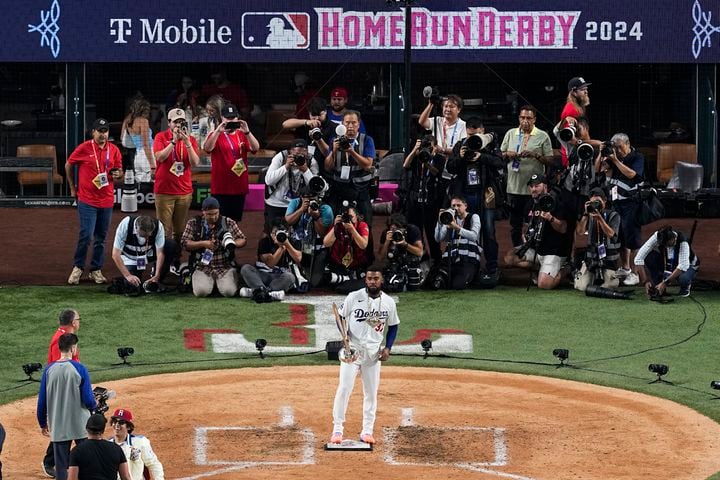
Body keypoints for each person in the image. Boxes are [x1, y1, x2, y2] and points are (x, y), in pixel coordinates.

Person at [329, 265, 399, 445]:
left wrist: (388, 348)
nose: (372, 282)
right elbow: (341, 317)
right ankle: (337, 429)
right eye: (369, 278)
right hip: (352, 351)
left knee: (371, 393)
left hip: (373, 354)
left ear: (381, 280)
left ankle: (367, 430)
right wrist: (344, 337)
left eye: (376, 278)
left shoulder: (389, 302)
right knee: (344, 388)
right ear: (365, 280)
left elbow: (393, 326)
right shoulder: (354, 297)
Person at [65, 118, 123, 286]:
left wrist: (119, 175)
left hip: (106, 200)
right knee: (86, 235)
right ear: (93, 132)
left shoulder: (114, 150)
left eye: (105, 131)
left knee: (101, 238)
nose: (103, 134)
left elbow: (120, 172)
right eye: (100, 131)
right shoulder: (84, 148)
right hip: (87, 200)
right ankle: (78, 267)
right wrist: (72, 188)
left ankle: (96, 270)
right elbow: (68, 165)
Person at [448, 119, 505, 280]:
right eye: (470, 134)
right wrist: (460, 157)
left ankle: (492, 268)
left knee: (488, 231)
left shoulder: (490, 145)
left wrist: (481, 156)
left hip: (486, 195)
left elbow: (500, 163)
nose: (472, 138)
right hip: (465, 195)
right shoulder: (461, 145)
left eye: (476, 134)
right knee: (465, 230)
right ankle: (467, 266)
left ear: (483, 131)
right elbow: (450, 167)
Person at [37, 333, 97, 480]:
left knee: (61, 469)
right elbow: (88, 400)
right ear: (73, 348)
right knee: (86, 465)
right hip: (80, 425)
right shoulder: (80, 369)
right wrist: (95, 404)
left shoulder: (48, 370)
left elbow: (42, 401)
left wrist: (43, 423)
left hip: (58, 426)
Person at [504, 174, 574, 290]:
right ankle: (539, 268)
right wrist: (525, 235)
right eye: (531, 186)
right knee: (510, 258)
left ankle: (567, 268)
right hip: (536, 248)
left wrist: (551, 218)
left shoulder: (555, 202)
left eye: (537, 186)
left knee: (543, 284)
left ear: (545, 187)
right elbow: (526, 226)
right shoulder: (530, 204)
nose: (533, 189)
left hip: (553, 250)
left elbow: (563, 228)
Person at [501, 106, 554, 249]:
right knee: (515, 225)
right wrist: (508, 154)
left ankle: (536, 251)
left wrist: (535, 155)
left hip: (534, 190)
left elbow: (550, 160)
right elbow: (500, 155)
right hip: (514, 188)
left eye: (528, 118)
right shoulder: (511, 133)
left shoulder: (542, 135)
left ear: (534, 120)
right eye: (522, 117)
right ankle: (518, 250)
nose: (525, 121)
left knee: (536, 222)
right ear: (519, 118)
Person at [600, 133, 645, 286]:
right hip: (616, 203)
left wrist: (615, 160)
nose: (618, 150)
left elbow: (632, 174)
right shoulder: (612, 157)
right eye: (615, 147)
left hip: (632, 203)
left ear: (628, 143)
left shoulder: (637, 158)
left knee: (632, 238)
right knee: (621, 237)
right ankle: (625, 268)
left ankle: (635, 273)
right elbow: (598, 169)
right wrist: (602, 154)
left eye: (620, 147)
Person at [203, 103, 260, 222]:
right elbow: (207, 148)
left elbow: (255, 148)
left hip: (239, 186)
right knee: (219, 221)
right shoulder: (215, 134)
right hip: (221, 188)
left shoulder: (242, 134)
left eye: (233, 117)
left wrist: (248, 132)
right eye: (227, 118)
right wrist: (218, 131)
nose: (230, 120)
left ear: (237, 118)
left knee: (234, 221)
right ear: (222, 118)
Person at [180, 196, 247, 297]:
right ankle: (188, 269)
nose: (213, 217)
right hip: (202, 266)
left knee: (229, 292)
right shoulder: (194, 223)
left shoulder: (228, 222)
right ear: (203, 212)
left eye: (216, 213)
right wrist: (203, 243)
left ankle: (218, 283)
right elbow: (185, 243)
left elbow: (243, 239)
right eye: (209, 214)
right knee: (201, 292)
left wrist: (231, 243)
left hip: (224, 266)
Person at [43, 309, 82, 477]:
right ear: (73, 322)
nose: (79, 322)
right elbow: (56, 368)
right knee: (64, 424)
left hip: (71, 387)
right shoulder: (59, 340)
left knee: (66, 424)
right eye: (78, 319)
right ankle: (50, 461)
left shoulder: (66, 338)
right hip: (64, 391)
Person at [153, 108, 200, 244]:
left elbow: (195, 162)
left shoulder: (190, 139)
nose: (178, 125)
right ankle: (162, 260)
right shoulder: (160, 137)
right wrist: (173, 142)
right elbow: (160, 157)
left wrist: (187, 143)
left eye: (181, 122)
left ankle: (176, 257)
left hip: (184, 192)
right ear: (169, 123)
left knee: (179, 231)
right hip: (164, 192)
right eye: (175, 122)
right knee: (163, 230)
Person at [325, 110, 376, 226]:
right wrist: (333, 151)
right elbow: (327, 167)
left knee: (366, 222)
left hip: (361, 190)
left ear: (359, 124)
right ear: (342, 124)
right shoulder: (334, 141)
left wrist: (351, 151)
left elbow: (368, 165)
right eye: (347, 123)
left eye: (354, 123)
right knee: (337, 223)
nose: (350, 126)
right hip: (340, 188)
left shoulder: (367, 140)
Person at [401, 133, 447, 262]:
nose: (427, 149)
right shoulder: (416, 156)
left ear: (435, 147)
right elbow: (405, 165)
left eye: (430, 146)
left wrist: (426, 162)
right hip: (415, 199)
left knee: (431, 231)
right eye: (425, 146)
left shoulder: (439, 158)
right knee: (415, 230)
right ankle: (420, 256)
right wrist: (415, 150)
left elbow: (436, 173)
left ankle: (436, 258)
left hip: (431, 200)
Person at [264, 138, 319, 233]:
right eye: (297, 152)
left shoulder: (310, 161)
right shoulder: (281, 157)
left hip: (296, 204)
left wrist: (305, 170)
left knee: (294, 234)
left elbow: (316, 185)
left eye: (303, 152)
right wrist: (286, 166)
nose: (300, 155)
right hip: (275, 203)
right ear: (290, 151)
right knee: (273, 234)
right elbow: (269, 180)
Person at [285, 183, 334, 288]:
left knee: (315, 282)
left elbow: (323, 234)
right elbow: (288, 221)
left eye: (313, 198)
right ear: (301, 198)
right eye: (306, 198)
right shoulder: (295, 203)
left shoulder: (325, 208)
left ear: (317, 197)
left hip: (318, 248)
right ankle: (297, 272)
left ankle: (326, 270)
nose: (310, 201)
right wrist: (301, 210)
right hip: (298, 245)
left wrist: (316, 217)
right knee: (300, 280)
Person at [239, 220, 301, 301]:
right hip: (262, 276)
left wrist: (287, 244)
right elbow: (270, 263)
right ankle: (268, 292)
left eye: (280, 232)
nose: (276, 235)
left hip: (279, 278)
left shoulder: (292, 242)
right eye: (274, 233)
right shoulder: (265, 242)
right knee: (246, 268)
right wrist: (281, 248)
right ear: (271, 233)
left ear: (287, 233)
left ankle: (258, 291)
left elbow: (298, 259)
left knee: (290, 277)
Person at [111, 215, 177, 291]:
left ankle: (157, 276)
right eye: (144, 235)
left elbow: (160, 253)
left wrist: (157, 275)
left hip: (148, 253)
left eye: (149, 235)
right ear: (136, 228)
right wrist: (128, 275)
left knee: (170, 245)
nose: (146, 238)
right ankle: (134, 274)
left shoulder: (158, 225)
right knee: (133, 284)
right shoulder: (126, 224)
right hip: (129, 256)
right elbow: (115, 254)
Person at [573, 187, 621, 291]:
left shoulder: (613, 215)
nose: (595, 205)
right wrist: (585, 214)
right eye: (592, 202)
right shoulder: (588, 215)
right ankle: (585, 275)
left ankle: (605, 278)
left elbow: (612, 235)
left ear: (604, 201)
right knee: (581, 287)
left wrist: (600, 219)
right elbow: (580, 232)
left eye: (598, 202)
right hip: (591, 259)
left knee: (609, 286)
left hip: (608, 260)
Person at [431, 195, 481, 290]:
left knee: (458, 285)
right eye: (453, 206)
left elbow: (474, 236)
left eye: (459, 205)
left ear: (465, 206)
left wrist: (456, 227)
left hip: (467, 260)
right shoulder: (450, 218)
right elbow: (438, 238)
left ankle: (472, 277)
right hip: (450, 260)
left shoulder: (473, 217)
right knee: (437, 283)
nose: (456, 208)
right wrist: (440, 221)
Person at [635, 225, 699, 298]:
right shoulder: (658, 236)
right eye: (665, 245)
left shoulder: (682, 241)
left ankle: (685, 287)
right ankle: (658, 284)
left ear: (674, 238)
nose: (667, 247)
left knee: (683, 279)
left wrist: (665, 283)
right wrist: (645, 281)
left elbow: (683, 266)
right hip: (668, 262)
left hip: (689, 264)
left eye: (669, 244)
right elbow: (638, 259)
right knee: (649, 256)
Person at [322, 204, 372, 292]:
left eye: (351, 217)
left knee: (362, 284)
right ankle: (346, 280)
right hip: (339, 266)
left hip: (356, 266)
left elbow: (363, 245)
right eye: (345, 217)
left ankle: (347, 280)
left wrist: (352, 230)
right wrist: (335, 227)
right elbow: (326, 243)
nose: (348, 220)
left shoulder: (362, 225)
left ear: (357, 217)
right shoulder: (338, 226)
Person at [67, 414, 130, 480]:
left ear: (86, 429)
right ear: (103, 431)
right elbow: (125, 477)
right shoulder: (116, 449)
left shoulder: (76, 451)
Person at [109, 409, 164, 480]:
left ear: (128, 427)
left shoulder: (140, 442)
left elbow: (153, 464)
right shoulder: (107, 446)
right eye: (114, 421)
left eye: (121, 422)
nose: (117, 425)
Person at [378, 213, 424, 292]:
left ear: (404, 228)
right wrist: (387, 242)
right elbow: (381, 258)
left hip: (410, 264)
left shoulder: (412, 230)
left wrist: (404, 244)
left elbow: (420, 252)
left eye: (397, 229)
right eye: (392, 228)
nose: (394, 231)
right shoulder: (386, 233)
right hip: (395, 264)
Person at [121, 96, 155, 183]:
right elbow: (146, 144)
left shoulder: (127, 120)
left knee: (140, 184)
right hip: (147, 157)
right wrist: (152, 165)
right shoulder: (143, 121)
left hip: (137, 157)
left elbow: (123, 140)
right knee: (152, 183)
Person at [559, 77, 591, 167]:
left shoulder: (579, 107)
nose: (586, 91)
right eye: (582, 89)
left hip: (578, 154)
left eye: (586, 88)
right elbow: (567, 137)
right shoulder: (571, 109)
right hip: (572, 158)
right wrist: (586, 145)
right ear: (574, 92)